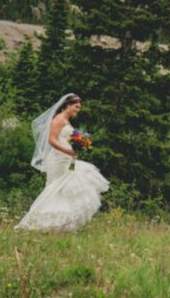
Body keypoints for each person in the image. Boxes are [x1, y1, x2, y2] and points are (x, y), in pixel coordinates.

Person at [16, 93, 108, 232]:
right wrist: (68, 151)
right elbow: (52, 140)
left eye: (79, 107)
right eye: (76, 106)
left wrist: (78, 145)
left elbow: (65, 138)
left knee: (66, 189)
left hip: (67, 158)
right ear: (67, 105)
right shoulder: (58, 119)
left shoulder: (66, 121)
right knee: (55, 189)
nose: (78, 109)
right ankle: (39, 223)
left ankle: (59, 225)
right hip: (58, 159)